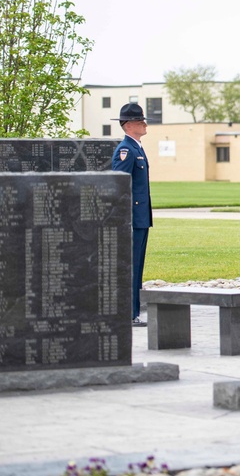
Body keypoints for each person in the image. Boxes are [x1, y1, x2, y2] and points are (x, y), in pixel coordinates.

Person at [110, 103, 152, 328]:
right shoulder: (126, 150)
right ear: (127, 126)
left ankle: (133, 312)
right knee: (131, 267)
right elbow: (119, 184)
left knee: (138, 267)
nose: (144, 124)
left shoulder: (137, 147)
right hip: (132, 218)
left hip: (140, 218)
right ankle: (129, 313)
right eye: (139, 121)